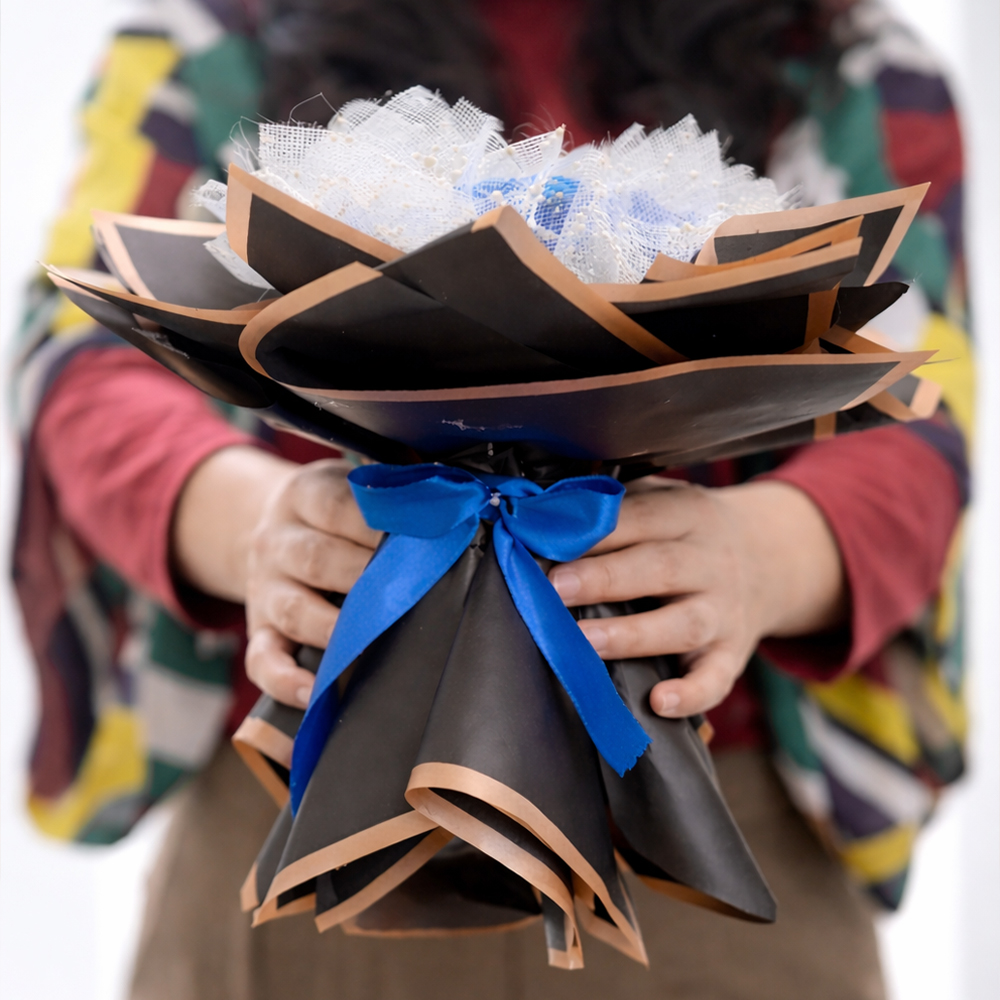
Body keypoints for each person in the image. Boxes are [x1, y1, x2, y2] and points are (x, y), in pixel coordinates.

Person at [11, 0, 971, 997]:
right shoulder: (208, 46)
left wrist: (759, 558)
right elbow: (81, 351)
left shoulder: (845, 68)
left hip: (705, 847)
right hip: (302, 825)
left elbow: (928, 399)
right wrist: (250, 526)